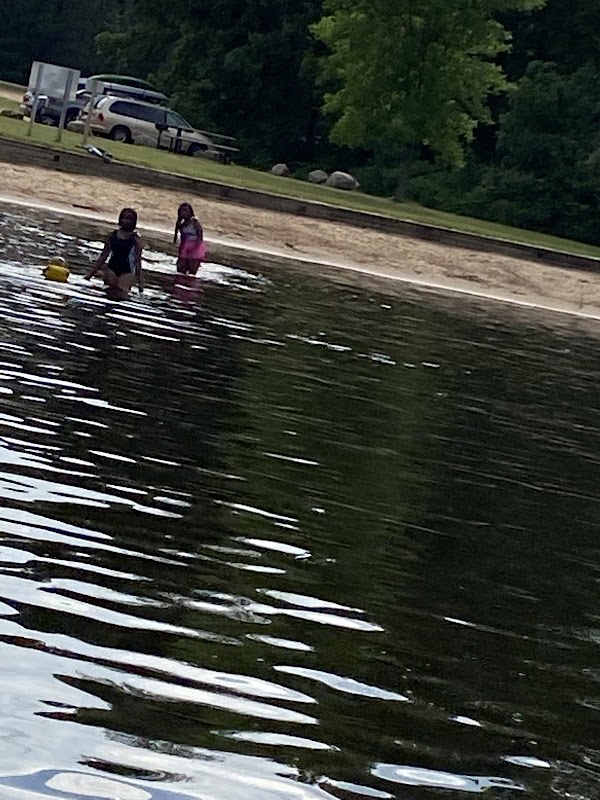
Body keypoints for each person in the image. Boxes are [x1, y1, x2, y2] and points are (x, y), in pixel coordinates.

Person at [85, 208, 143, 298]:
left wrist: (140, 283)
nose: (127, 221)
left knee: (122, 293)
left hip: (127, 272)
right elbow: (103, 257)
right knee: (109, 291)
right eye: (125, 218)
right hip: (111, 269)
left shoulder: (135, 240)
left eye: (130, 219)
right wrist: (90, 275)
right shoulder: (112, 236)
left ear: (134, 222)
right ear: (120, 219)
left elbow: (137, 261)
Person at [173, 202, 205, 275]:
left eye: (186, 211)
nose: (184, 213)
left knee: (191, 273)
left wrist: (194, 249)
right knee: (180, 271)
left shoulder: (195, 223)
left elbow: (200, 237)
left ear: (190, 212)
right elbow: (180, 237)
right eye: (182, 211)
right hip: (185, 248)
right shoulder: (182, 223)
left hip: (195, 249)